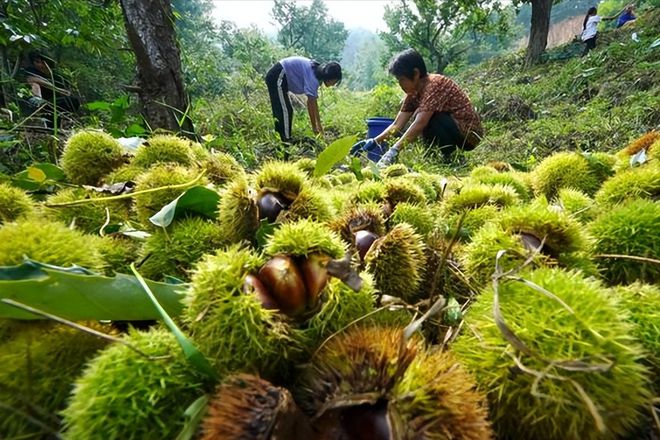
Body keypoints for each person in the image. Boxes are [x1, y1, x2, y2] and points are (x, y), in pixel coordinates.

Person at [352, 49, 483, 167]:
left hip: (468, 134)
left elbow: (420, 123)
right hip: (452, 129)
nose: (400, 84)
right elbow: (397, 124)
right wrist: (374, 141)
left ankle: (451, 158)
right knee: (424, 117)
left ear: (415, 73)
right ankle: (439, 158)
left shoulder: (435, 84)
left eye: (402, 79)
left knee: (429, 118)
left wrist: (394, 150)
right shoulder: (414, 92)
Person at [265, 56, 342, 142]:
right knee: (285, 110)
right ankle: (286, 141)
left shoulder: (317, 75)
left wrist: (320, 126)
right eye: (334, 81)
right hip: (278, 75)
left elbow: (314, 103)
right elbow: (310, 103)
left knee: (283, 110)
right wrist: (314, 128)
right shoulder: (313, 78)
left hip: (282, 79)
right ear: (329, 77)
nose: (333, 84)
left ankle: (280, 139)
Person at [24, 51, 80, 128]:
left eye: (41, 62)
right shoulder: (31, 71)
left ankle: (56, 126)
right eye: (36, 62)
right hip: (37, 102)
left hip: (53, 103)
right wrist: (57, 89)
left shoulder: (57, 78)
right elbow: (33, 80)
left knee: (73, 101)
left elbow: (66, 93)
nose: (39, 65)